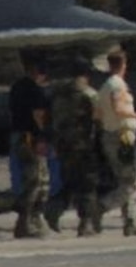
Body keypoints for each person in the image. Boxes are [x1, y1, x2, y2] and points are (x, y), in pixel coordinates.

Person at [44, 60, 103, 236]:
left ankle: (52, 211)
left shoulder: (57, 94)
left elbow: (48, 120)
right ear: (85, 75)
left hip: (63, 146)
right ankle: (86, 223)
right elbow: (99, 121)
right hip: (84, 146)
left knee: (69, 183)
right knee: (87, 185)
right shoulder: (89, 94)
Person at [94, 48, 136, 236]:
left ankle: (130, 223)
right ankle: (100, 207)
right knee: (131, 182)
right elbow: (118, 108)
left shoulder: (104, 87)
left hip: (110, 136)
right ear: (123, 65)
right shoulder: (117, 85)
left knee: (126, 179)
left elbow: (98, 114)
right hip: (122, 137)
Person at [8, 59, 51, 238]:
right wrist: (43, 138)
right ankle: (25, 223)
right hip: (31, 139)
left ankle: (30, 221)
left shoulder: (16, 87)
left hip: (18, 137)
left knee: (31, 179)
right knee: (36, 181)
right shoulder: (34, 90)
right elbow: (39, 115)